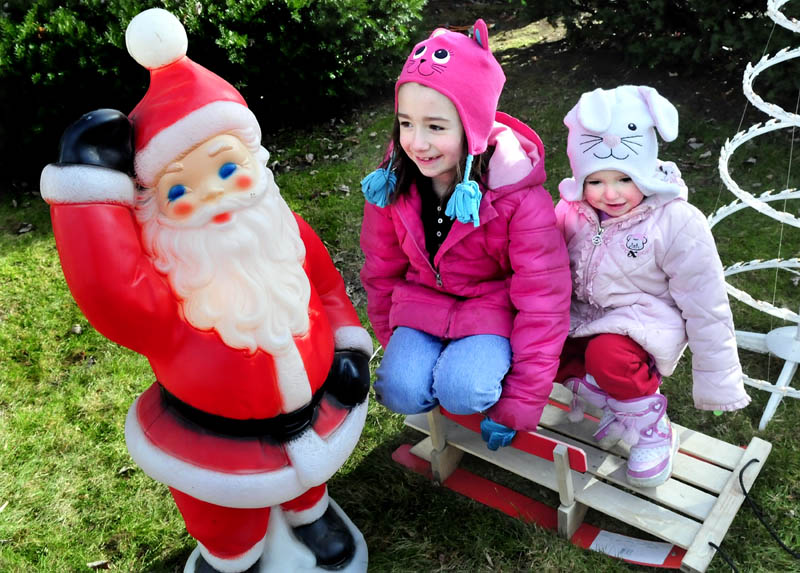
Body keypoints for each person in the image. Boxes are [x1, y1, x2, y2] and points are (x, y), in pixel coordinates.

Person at [40, 9, 373, 573]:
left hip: (314, 410)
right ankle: (231, 557)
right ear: (153, 204)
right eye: (180, 188)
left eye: (226, 170)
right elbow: (110, 288)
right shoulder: (170, 281)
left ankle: (310, 514)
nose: (213, 197)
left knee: (306, 487)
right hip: (217, 441)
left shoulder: (279, 228)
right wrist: (90, 194)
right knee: (228, 523)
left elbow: (324, 283)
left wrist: (347, 344)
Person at [359, 19, 571, 450]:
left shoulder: (518, 198)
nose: (417, 143)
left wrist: (519, 403)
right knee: (399, 390)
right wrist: (393, 338)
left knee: (464, 390)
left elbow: (543, 302)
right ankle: (431, 371)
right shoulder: (391, 184)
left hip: (491, 311)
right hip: (422, 307)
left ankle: (475, 373)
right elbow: (381, 269)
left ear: (472, 127)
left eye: (436, 127)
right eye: (406, 123)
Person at [555, 85, 751, 488]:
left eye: (625, 178)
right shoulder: (571, 211)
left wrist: (719, 381)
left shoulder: (676, 221)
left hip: (642, 325)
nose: (610, 194)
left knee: (607, 356)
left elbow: (706, 301)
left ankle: (649, 428)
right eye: (595, 181)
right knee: (540, 344)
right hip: (583, 317)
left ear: (645, 168)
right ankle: (595, 388)